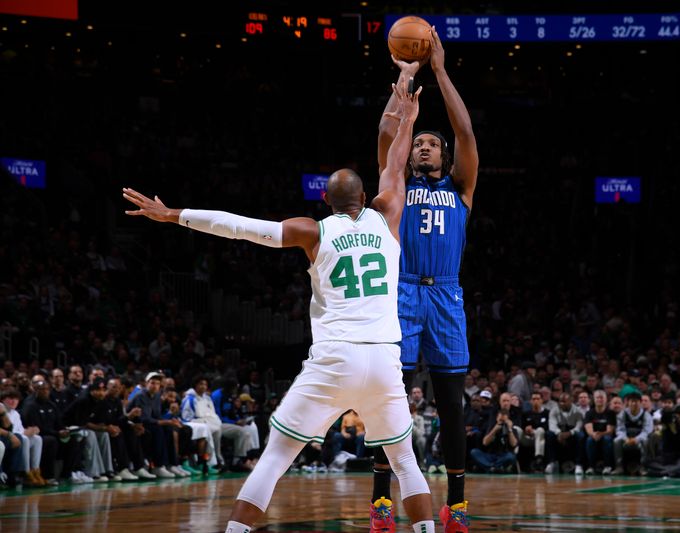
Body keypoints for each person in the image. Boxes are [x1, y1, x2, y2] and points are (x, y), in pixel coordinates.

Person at [123, 82, 436, 533]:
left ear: (324, 201)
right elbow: (395, 166)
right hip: (385, 358)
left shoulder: (314, 231)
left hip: (335, 357)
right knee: (404, 460)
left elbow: (239, 228)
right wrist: (408, 117)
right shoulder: (387, 215)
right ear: (364, 199)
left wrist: (173, 214)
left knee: (276, 457)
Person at [371, 24, 479, 533]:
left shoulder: (461, 188)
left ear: (444, 156)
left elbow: (466, 133)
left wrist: (439, 69)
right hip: (402, 292)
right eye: (421, 144)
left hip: (447, 297)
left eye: (433, 144)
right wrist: (405, 80)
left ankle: (455, 505)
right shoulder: (395, 186)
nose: (425, 148)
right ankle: (381, 502)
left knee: (453, 405)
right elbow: (388, 135)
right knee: (391, 402)